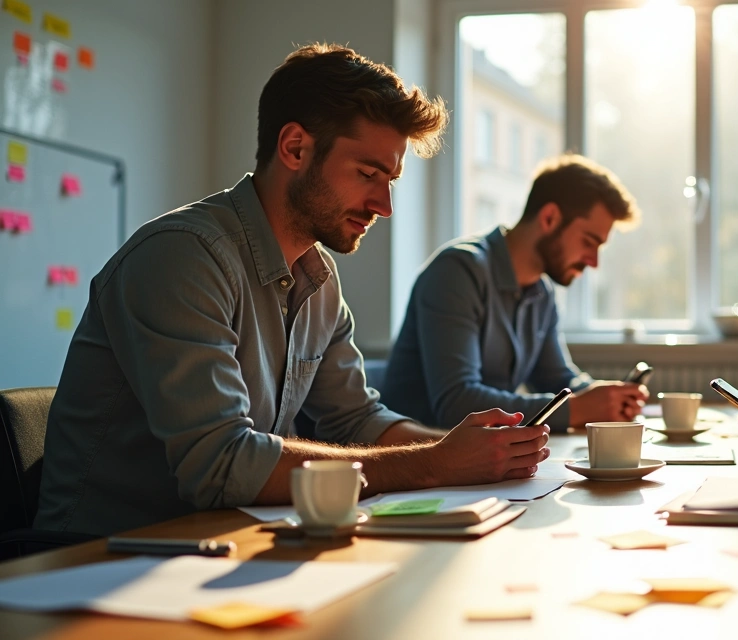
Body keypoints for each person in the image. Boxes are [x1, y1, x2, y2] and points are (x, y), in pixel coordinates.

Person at [35, 44, 551, 538]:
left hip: (223, 542)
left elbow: (357, 420)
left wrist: (473, 450)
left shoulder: (318, 278)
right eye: (369, 173)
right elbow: (223, 465)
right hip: (93, 562)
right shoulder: (184, 256)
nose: (384, 205)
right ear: (295, 148)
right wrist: (432, 465)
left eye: (390, 179)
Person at [381, 155, 648, 431]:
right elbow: (456, 404)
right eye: (589, 242)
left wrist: (606, 397)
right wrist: (577, 408)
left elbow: (557, 379)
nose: (593, 262)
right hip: (420, 457)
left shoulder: (541, 293)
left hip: (485, 459)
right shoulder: (457, 272)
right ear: (550, 218)